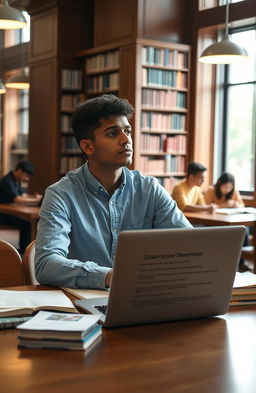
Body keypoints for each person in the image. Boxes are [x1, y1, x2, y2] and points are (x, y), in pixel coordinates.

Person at [35, 94, 192, 289]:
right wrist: (110, 276)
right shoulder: (61, 194)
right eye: (112, 133)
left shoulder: (149, 189)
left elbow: (190, 246)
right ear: (88, 146)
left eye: (128, 131)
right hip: (86, 303)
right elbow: (46, 264)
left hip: (144, 296)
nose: (126, 140)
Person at [0, 160, 42, 254]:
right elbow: (18, 199)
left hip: (9, 211)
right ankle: (24, 251)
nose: (27, 179)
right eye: (26, 175)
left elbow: (23, 195)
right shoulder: (7, 180)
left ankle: (28, 248)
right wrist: (37, 200)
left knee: (28, 221)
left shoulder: (16, 180)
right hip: (3, 213)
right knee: (26, 222)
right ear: (19, 171)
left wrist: (34, 197)